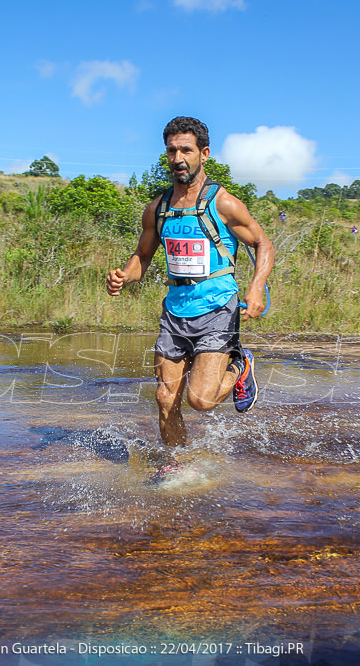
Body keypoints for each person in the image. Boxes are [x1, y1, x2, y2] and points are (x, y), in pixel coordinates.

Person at [106, 116, 275, 483]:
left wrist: (256, 286)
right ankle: (175, 463)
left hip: (217, 308)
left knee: (201, 400)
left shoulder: (224, 203)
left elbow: (263, 243)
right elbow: (143, 257)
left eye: (186, 149)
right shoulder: (159, 208)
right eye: (171, 150)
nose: (178, 157)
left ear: (204, 153)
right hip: (175, 310)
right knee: (166, 398)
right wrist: (124, 275)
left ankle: (240, 366)